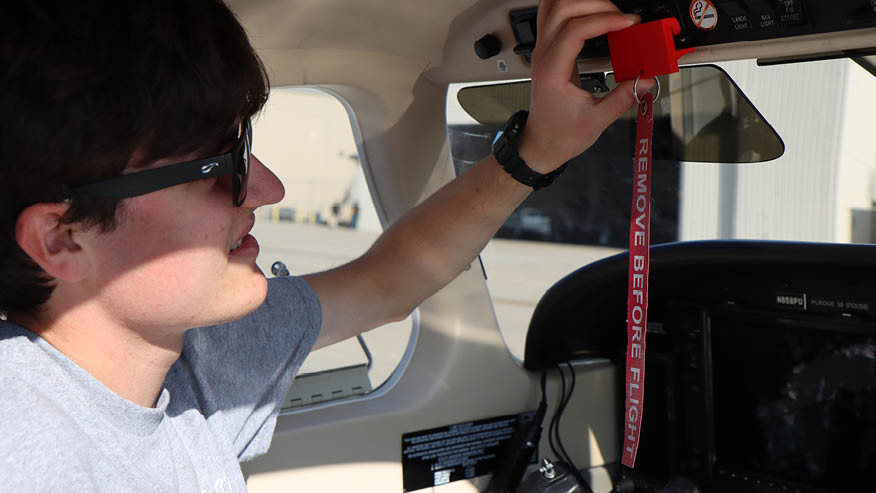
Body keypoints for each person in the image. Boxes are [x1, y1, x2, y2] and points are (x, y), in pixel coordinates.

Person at [0, 0, 650, 490]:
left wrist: (538, 149)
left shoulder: (190, 357)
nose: (268, 187)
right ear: (61, 239)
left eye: (243, 146)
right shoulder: (25, 449)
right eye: (218, 165)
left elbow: (386, 283)